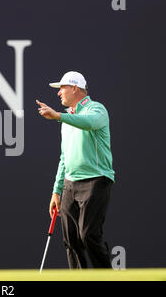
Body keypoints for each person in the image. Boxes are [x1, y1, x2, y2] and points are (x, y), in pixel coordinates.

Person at [35, 71, 115, 269]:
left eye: (62, 88)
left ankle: (106, 276)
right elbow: (64, 157)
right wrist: (56, 190)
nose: (59, 93)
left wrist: (58, 116)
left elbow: (89, 123)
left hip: (96, 180)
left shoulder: (96, 109)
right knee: (71, 241)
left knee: (88, 235)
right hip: (70, 184)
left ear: (75, 89)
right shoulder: (67, 118)